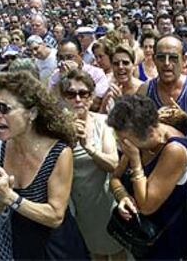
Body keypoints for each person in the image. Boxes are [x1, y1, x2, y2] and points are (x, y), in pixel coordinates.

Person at [0, 71, 89, 260]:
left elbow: (55, 216)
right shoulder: (0, 146)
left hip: (56, 248)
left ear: (32, 113)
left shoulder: (58, 152)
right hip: (19, 244)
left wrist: (10, 198)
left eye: (4, 108)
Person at [108, 94, 187, 259]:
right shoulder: (135, 142)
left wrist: (135, 160)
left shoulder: (174, 150)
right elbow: (115, 178)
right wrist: (123, 197)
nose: (121, 144)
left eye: (124, 140)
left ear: (147, 132)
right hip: (141, 236)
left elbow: (146, 206)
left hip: (167, 242)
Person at [56, 69, 125, 260]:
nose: (77, 99)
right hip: (76, 206)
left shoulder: (103, 123)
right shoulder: (55, 130)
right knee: (94, 254)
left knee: (117, 251)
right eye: (71, 94)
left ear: (91, 96)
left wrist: (89, 147)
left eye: (83, 93)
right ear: (63, 98)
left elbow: (113, 163)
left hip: (104, 202)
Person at [100, 44, 143, 113]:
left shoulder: (143, 89)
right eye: (116, 64)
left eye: (125, 63)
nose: (120, 67)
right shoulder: (110, 89)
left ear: (133, 65)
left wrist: (120, 102)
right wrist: (104, 103)